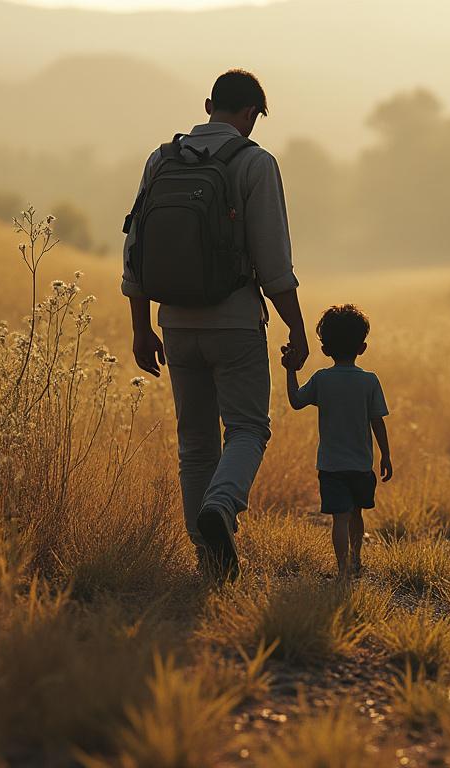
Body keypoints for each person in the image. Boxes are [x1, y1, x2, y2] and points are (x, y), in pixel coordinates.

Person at [122, 69, 308, 582]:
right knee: (247, 429)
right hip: (235, 322)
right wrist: (296, 327)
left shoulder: (161, 160)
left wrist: (141, 329)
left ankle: (208, 561)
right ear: (251, 114)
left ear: (208, 105)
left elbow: (134, 249)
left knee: (195, 442)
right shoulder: (255, 162)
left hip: (175, 324)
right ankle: (222, 509)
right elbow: (274, 262)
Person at [281, 305, 393, 578]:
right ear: (362, 347)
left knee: (339, 518)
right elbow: (377, 421)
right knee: (356, 514)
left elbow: (296, 401)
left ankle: (342, 569)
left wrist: (290, 370)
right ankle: (356, 560)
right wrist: (386, 456)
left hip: (331, 466)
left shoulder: (322, 379)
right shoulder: (369, 381)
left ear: (325, 349)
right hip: (361, 465)